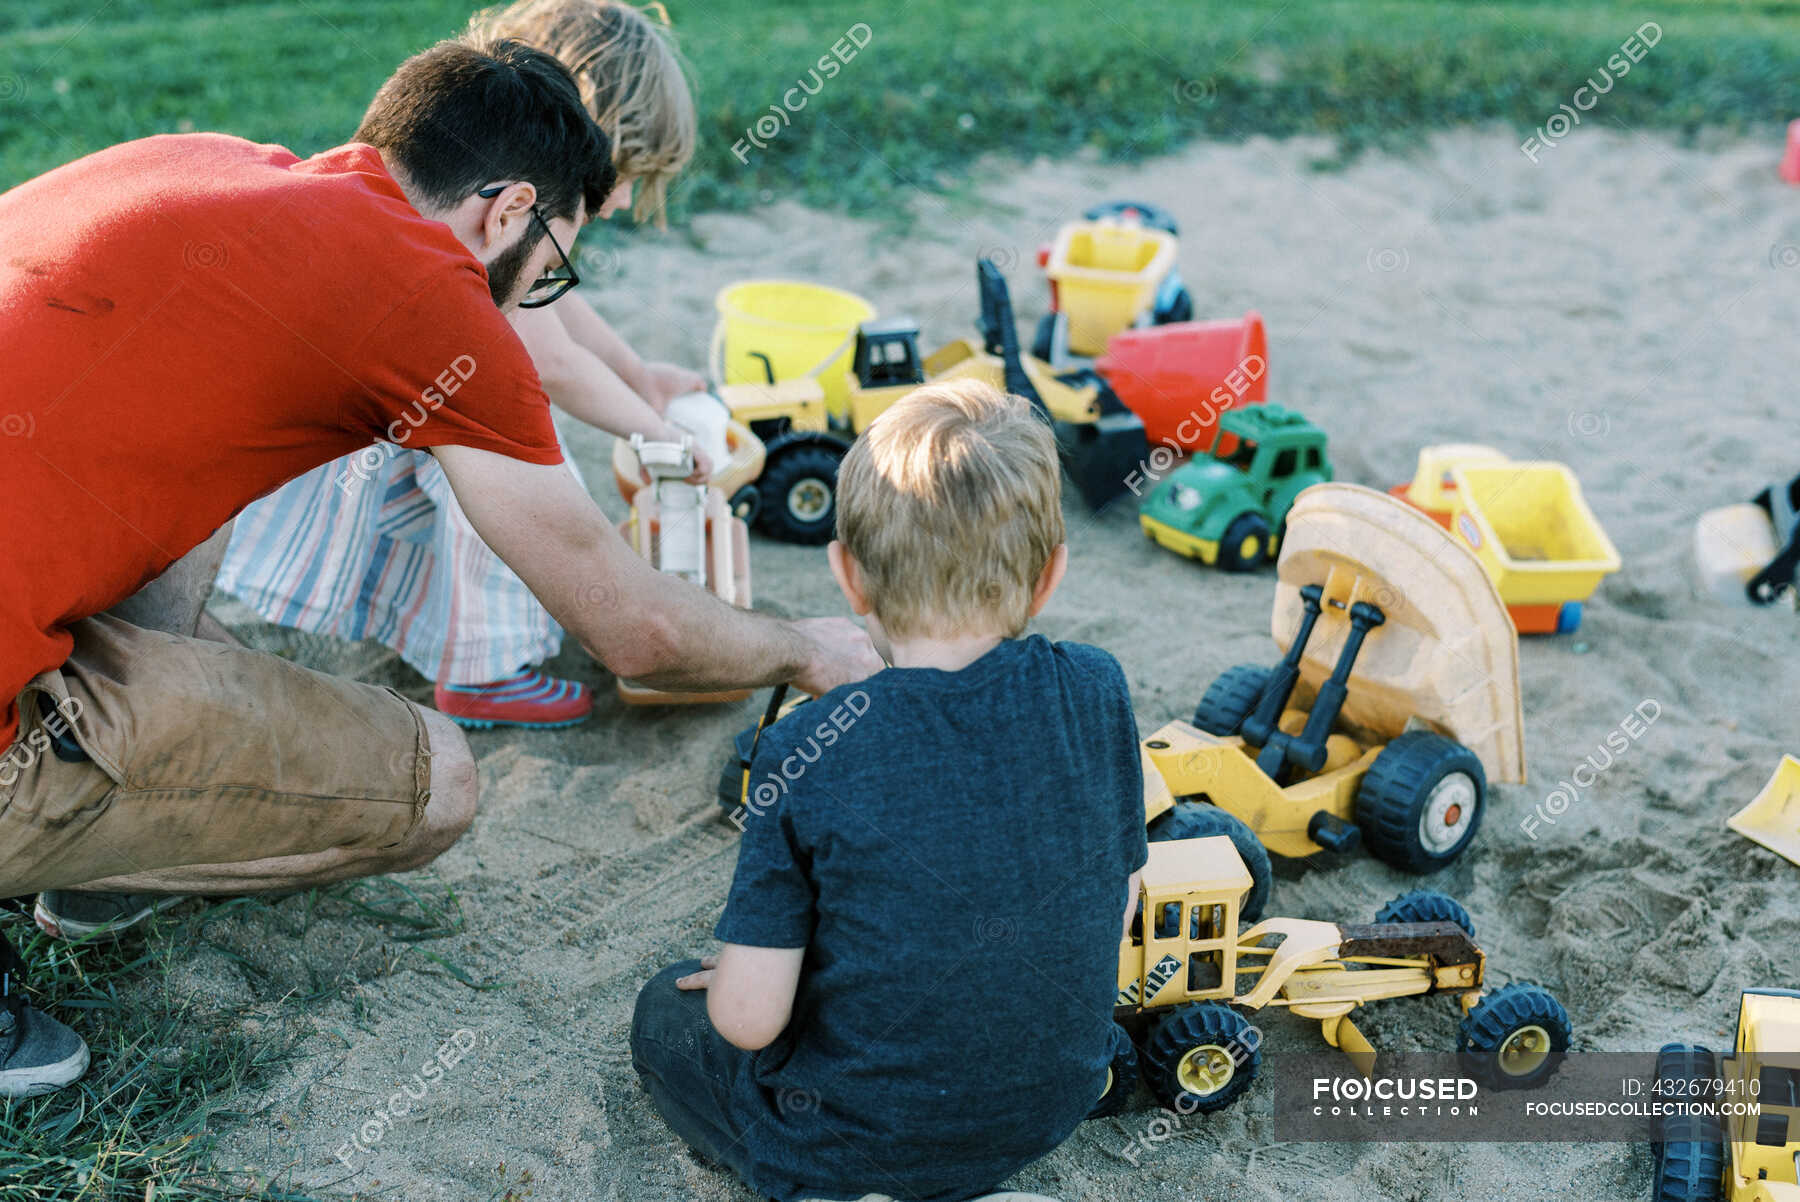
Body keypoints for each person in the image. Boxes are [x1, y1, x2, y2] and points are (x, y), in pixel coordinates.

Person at [0, 37, 877, 1098]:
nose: (540, 290)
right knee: (438, 779)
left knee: (192, 471)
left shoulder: (215, 165)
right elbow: (629, 626)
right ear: (508, 212)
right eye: (553, 263)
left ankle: (98, 858)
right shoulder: (428, 299)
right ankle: (66, 844)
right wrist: (807, 646)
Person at [630, 380, 1148, 1202]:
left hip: (855, 1141)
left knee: (666, 1013)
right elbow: (1117, 902)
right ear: (1049, 576)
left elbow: (748, 1021)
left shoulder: (805, 747)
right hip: (1050, 1105)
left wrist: (747, 964)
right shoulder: (1095, 688)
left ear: (848, 575)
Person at [217, 0, 706, 731]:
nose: (626, 196)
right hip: (389, 411)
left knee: (506, 453)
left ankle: (443, 632)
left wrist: (639, 374)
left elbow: (554, 307)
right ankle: (483, 672)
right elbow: (554, 361)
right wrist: (655, 433)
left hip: (382, 393)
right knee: (522, 471)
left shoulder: (499, 195)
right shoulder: (505, 207)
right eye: (625, 171)